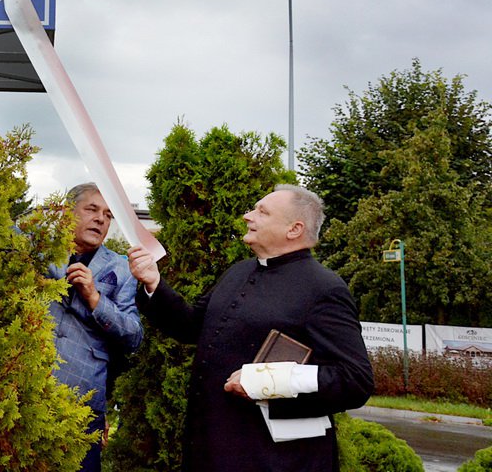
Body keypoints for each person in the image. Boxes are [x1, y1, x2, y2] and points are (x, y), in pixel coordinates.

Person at [127, 184, 373, 472]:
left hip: (278, 461)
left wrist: (263, 381)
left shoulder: (325, 288)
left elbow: (355, 380)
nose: (247, 216)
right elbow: (191, 327)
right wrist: (153, 283)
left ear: (294, 229)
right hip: (210, 450)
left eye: (262, 212)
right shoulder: (238, 271)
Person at [48, 182, 143, 472]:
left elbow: (133, 335)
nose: (101, 219)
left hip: (82, 400)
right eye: (92, 209)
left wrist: (95, 299)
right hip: (24, 388)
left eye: (108, 215)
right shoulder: (41, 250)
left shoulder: (122, 269)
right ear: (67, 212)